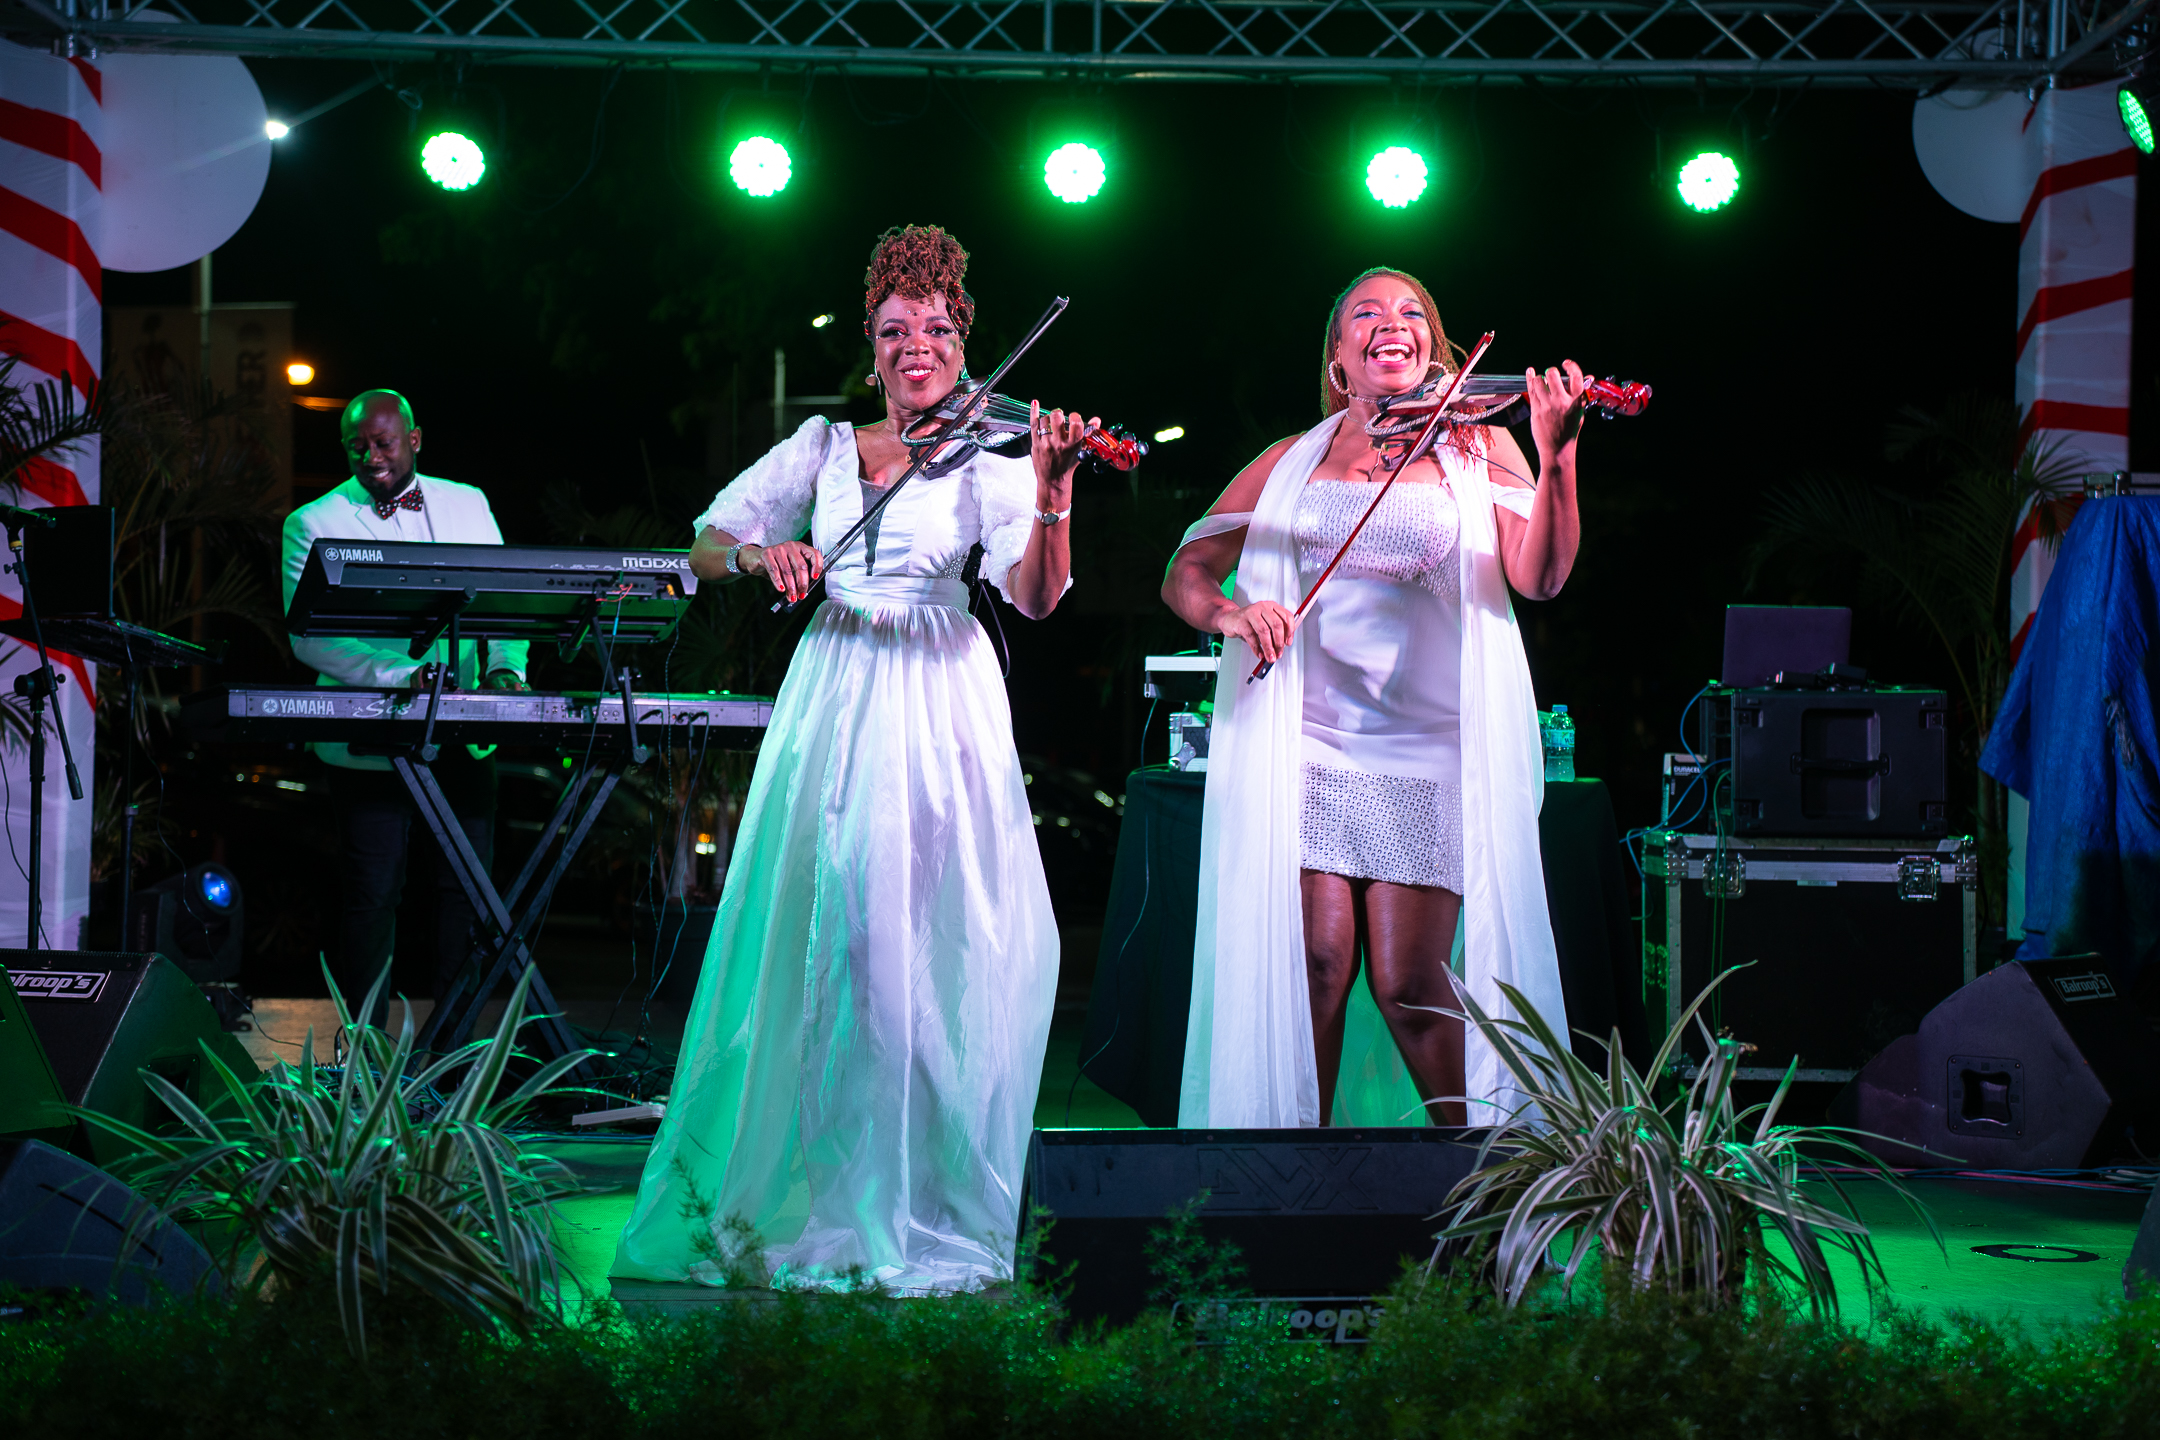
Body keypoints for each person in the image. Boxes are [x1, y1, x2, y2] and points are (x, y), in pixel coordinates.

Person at [611, 224, 1096, 1295]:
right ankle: (840, 1191)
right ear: (870, 348)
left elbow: (1036, 594)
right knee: (839, 943)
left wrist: (1055, 487)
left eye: (933, 327)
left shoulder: (997, 453)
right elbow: (705, 538)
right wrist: (761, 552)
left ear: (963, 344)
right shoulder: (827, 448)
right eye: (893, 330)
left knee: (930, 945)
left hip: (939, 690)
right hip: (836, 690)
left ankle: (918, 1197)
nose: (913, 345)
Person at [1161, 268, 1590, 1130]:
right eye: (1366, 313)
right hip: (1308, 746)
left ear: (1433, 347)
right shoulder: (1293, 460)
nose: (1390, 325)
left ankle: (1486, 1186)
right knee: (1315, 965)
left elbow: (1539, 577)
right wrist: (1233, 613)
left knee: (1408, 984)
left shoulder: (1476, 446)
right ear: (1338, 360)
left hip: (1426, 751)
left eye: (1410, 314)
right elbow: (1187, 569)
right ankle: (1299, 1189)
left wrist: (1560, 454)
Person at [280, 390, 529, 1023]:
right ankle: (362, 1053)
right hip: (368, 738)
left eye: (383, 443)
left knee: (468, 895)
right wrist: (404, 675)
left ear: (415, 439)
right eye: (356, 447)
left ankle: (456, 1050)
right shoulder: (313, 521)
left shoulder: (467, 502)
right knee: (372, 895)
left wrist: (504, 669)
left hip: (465, 729)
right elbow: (311, 637)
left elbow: (506, 605)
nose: (370, 456)